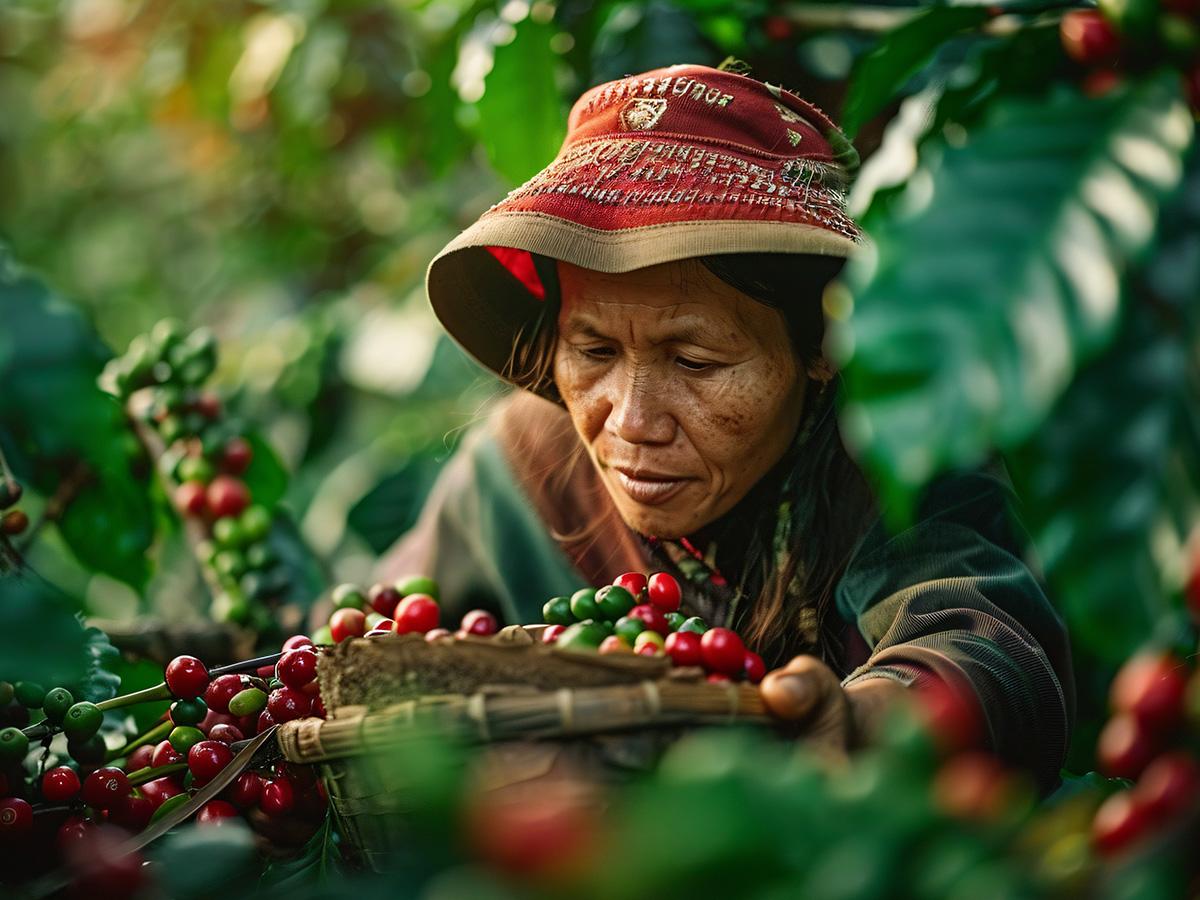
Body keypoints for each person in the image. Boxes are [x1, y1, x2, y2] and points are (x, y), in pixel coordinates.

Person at [379, 62, 1074, 794]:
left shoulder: (887, 461)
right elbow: (364, 638)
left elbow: (988, 648)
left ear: (821, 350)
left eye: (695, 359)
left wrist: (865, 722)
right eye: (593, 351)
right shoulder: (519, 471)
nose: (632, 422)